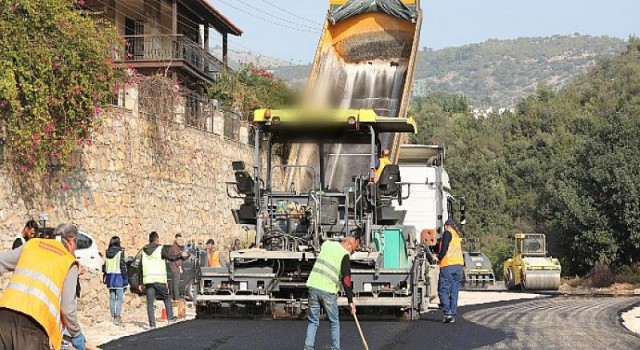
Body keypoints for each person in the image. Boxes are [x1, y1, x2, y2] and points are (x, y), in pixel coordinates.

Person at [0, 223, 86, 350]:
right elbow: (67, 309)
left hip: (4, 317)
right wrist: (76, 333)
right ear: (72, 240)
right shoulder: (68, 262)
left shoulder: (32, 245)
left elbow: (1, 261)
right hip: (34, 327)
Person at [304, 237, 358, 350]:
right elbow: (346, 279)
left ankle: (308, 348)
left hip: (313, 286)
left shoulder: (327, 244)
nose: (351, 253)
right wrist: (350, 301)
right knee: (334, 322)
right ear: (348, 244)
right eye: (351, 250)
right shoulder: (344, 254)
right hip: (328, 290)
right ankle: (335, 348)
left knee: (313, 321)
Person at [140, 231, 188, 329]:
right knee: (166, 298)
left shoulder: (143, 250)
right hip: (159, 279)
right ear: (156, 239)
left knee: (150, 303)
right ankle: (170, 319)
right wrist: (180, 256)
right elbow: (170, 258)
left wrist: (141, 282)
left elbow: (141, 266)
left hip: (148, 280)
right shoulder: (160, 249)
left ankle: (152, 325)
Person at [437, 219, 465, 323]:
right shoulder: (456, 236)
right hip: (459, 266)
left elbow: (444, 248)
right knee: (454, 292)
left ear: (446, 225)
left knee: (443, 290)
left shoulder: (447, 233)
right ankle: (452, 315)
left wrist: (439, 257)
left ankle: (447, 313)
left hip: (448, 265)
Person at [102, 236, 128, 326]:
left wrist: (105, 275)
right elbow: (122, 265)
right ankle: (117, 317)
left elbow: (104, 266)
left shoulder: (107, 252)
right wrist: (125, 277)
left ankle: (113, 315)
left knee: (112, 298)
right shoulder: (120, 252)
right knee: (119, 298)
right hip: (119, 277)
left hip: (110, 277)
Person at [168, 233, 185, 300]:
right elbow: (177, 258)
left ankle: (172, 298)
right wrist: (180, 267)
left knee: (173, 284)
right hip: (176, 268)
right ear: (175, 239)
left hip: (173, 268)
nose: (179, 241)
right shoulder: (175, 248)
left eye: (180, 239)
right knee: (176, 285)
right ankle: (177, 299)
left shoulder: (173, 247)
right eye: (178, 239)